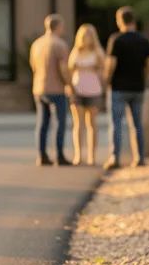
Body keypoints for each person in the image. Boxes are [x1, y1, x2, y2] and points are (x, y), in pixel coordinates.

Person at [104, 6, 149, 170]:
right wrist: (143, 78)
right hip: (138, 87)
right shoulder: (144, 40)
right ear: (134, 20)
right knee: (137, 124)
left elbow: (111, 64)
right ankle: (139, 157)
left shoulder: (116, 40)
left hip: (118, 87)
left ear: (120, 21)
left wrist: (107, 80)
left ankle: (114, 157)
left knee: (116, 123)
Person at [29, 14, 72, 166]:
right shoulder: (59, 44)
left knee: (42, 123)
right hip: (56, 88)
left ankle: (42, 155)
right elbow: (63, 69)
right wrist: (69, 84)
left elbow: (33, 65)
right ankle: (59, 155)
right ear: (58, 27)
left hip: (39, 88)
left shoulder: (36, 44)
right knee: (59, 122)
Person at [68, 23, 104, 165]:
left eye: (88, 36)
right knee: (78, 123)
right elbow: (69, 71)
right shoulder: (75, 52)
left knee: (92, 123)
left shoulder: (98, 52)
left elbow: (103, 71)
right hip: (78, 89)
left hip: (93, 89)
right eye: (83, 36)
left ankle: (91, 155)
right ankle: (78, 154)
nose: (86, 39)